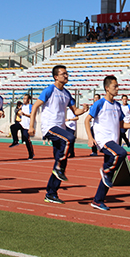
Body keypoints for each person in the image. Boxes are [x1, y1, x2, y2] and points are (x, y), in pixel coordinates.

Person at [28, 65, 89, 204]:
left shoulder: (66, 93)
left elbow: (76, 111)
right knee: (70, 138)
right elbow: (36, 106)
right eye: (63, 74)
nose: (66, 76)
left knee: (61, 163)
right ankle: (57, 170)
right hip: (50, 127)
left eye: (67, 74)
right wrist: (32, 125)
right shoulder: (49, 90)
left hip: (60, 129)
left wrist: (84, 109)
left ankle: (51, 193)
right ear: (56, 77)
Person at [85, 75, 130, 211]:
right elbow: (87, 120)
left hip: (114, 140)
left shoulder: (118, 106)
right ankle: (105, 171)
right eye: (115, 86)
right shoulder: (100, 103)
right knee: (121, 153)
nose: (118, 89)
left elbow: (120, 124)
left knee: (110, 175)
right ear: (107, 88)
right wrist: (90, 138)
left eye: (118, 86)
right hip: (103, 140)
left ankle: (98, 200)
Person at [17, 94, 35, 160]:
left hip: (27, 126)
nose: (23, 100)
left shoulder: (30, 106)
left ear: (28, 100)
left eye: (25, 99)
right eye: (23, 98)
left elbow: (32, 115)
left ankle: (31, 154)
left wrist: (24, 114)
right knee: (13, 127)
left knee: (26, 139)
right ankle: (15, 141)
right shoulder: (22, 106)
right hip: (21, 124)